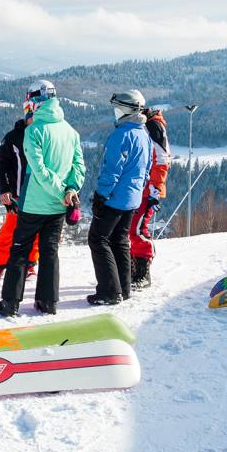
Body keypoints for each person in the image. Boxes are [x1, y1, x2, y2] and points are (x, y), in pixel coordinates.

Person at [0, 80, 85, 317]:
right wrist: (69, 190)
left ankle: (10, 303)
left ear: (34, 103)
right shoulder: (70, 131)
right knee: (49, 252)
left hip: (34, 203)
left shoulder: (33, 131)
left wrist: (60, 191)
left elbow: (38, 170)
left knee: (20, 250)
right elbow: (78, 167)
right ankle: (48, 302)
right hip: (58, 206)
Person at [87, 90, 152, 305]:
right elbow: (147, 167)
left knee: (98, 239)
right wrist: (138, 189)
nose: (115, 113)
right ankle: (124, 288)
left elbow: (112, 169)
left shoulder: (122, 135)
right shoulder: (143, 134)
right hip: (132, 198)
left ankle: (109, 291)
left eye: (117, 109)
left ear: (126, 110)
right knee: (120, 240)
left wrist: (101, 195)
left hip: (115, 198)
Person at [0, 104, 39, 282]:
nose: (36, 119)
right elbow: (1, 165)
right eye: (33, 116)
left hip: (41, 194)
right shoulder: (13, 137)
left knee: (36, 232)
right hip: (18, 194)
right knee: (9, 231)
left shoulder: (45, 134)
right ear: (27, 116)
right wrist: (4, 189)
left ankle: (30, 264)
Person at [129, 106, 171, 289]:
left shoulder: (154, 126)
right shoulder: (145, 125)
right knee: (130, 228)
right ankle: (132, 269)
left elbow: (162, 159)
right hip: (137, 188)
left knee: (137, 229)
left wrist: (155, 189)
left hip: (148, 189)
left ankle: (142, 272)